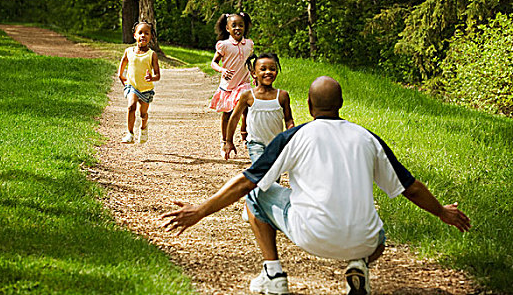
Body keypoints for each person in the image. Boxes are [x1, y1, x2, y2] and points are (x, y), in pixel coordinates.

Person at [162, 76, 471, 295]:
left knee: (256, 194)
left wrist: (200, 211)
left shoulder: (295, 137)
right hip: (366, 241)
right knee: (378, 232)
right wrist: (442, 212)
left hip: (312, 235)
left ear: (309, 105)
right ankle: (359, 264)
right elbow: (411, 188)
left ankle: (273, 275)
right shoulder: (367, 137)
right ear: (341, 104)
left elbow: (245, 182)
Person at [223, 53, 295, 162]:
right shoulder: (247, 96)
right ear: (254, 74)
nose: (268, 72)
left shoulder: (282, 96)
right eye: (263, 69)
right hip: (255, 144)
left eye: (272, 69)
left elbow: (288, 119)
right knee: (261, 172)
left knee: (274, 174)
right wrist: (228, 141)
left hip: (276, 143)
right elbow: (234, 118)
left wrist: (291, 131)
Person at [210, 12, 254, 157]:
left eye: (241, 25)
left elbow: (249, 61)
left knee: (246, 107)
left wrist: (254, 75)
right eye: (234, 25)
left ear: (245, 27)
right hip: (228, 86)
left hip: (243, 82)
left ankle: (244, 134)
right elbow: (213, 63)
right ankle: (225, 141)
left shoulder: (249, 44)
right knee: (227, 114)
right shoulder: (224, 45)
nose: (237, 28)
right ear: (227, 28)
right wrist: (222, 70)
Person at [117, 21, 161, 144]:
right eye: (140, 33)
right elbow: (123, 62)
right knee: (131, 106)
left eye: (146, 33)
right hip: (132, 86)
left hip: (146, 89)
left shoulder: (152, 55)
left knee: (143, 114)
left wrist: (151, 78)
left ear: (151, 37)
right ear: (135, 35)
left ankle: (143, 127)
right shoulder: (129, 51)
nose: (143, 36)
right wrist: (121, 76)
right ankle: (130, 134)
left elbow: (158, 75)